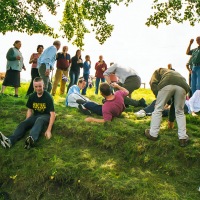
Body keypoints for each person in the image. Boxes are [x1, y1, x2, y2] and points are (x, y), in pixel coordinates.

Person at [0, 77, 56, 149]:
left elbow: (52, 114)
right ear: (33, 87)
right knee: (23, 123)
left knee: (40, 119)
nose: (38, 88)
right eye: (36, 86)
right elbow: (29, 110)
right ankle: (10, 141)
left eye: (40, 86)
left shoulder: (48, 97)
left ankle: (31, 140)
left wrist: (49, 130)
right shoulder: (32, 96)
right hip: (36, 115)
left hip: (46, 116)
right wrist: (27, 121)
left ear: (43, 86)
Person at [144, 68, 190, 147]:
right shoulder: (177, 74)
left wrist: (158, 98)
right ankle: (183, 138)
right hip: (183, 86)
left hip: (167, 83)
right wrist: (171, 119)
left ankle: (153, 134)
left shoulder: (158, 71)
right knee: (180, 112)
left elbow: (153, 83)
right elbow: (173, 105)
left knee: (158, 109)